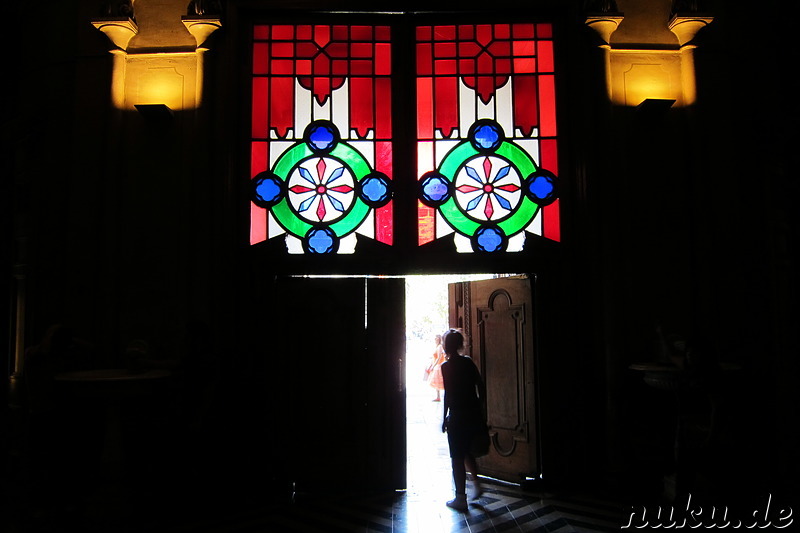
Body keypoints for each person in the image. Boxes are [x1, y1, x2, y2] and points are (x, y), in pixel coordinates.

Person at [440, 328, 486, 511]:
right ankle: (476, 483)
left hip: (457, 415)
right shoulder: (468, 363)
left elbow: (448, 394)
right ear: (460, 344)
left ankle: (460, 497)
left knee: (457, 457)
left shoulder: (446, 367)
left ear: (446, 346)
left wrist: (444, 417)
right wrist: (479, 408)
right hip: (472, 413)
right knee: (468, 451)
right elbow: (480, 386)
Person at [426, 334, 446, 401]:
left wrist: (434, 365)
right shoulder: (437, 347)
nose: (435, 339)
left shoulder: (440, 346)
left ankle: (439, 396)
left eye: (436, 338)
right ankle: (438, 396)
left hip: (438, 366)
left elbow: (439, 357)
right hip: (436, 365)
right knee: (437, 382)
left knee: (440, 381)